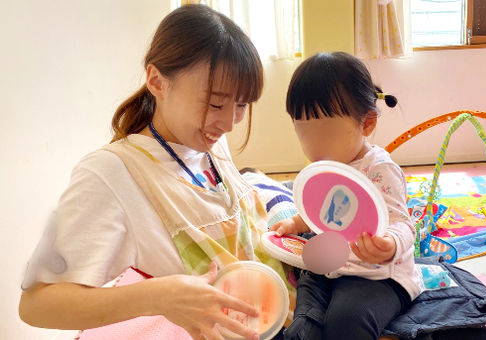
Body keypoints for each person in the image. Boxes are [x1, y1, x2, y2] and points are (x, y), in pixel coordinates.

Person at [19, 5, 293, 340]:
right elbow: (36, 304)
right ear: (156, 81)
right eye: (216, 104)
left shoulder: (209, 145)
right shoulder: (110, 173)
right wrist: (158, 297)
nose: (230, 123)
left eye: (241, 105)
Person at [270, 51, 486, 340]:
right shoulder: (323, 166)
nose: (314, 145)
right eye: (304, 132)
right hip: (337, 269)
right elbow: (320, 213)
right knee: (303, 317)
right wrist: (297, 223)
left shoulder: (378, 169)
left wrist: (391, 244)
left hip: (380, 276)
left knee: (346, 322)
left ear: (367, 123)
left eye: (327, 131)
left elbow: (403, 223)